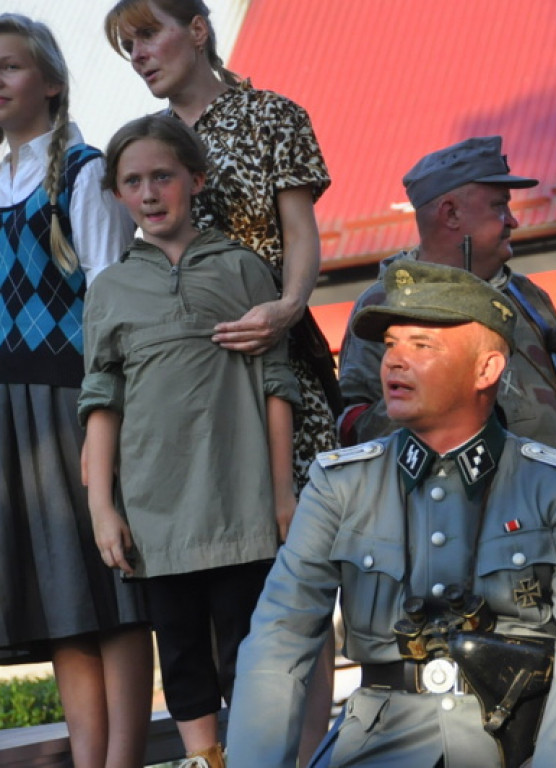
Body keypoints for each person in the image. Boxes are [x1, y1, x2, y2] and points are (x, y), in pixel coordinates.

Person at [226, 259, 556, 768]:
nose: (394, 362)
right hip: (379, 745)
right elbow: (279, 638)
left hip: (521, 744)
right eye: (391, 345)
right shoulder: (341, 484)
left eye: (422, 346)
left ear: (487, 369)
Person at [104, 2, 338, 757]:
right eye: (126, 46)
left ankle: (297, 752)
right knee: (193, 603)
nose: (138, 55)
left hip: (274, 368)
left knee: (290, 580)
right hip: (184, 400)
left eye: (148, 36)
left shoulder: (271, 115)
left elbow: (299, 233)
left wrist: (286, 305)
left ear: (198, 29)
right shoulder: (144, 148)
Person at [79, 114, 301, 768]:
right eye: (132, 181)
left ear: (195, 179)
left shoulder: (241, 270)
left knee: (249, 651)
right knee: (177, 653)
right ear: (118, 195)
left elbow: (276, 380)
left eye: (162, 176)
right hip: (154, 509)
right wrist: (103, 507)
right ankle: (206, 761)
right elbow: (101, 399)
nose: (149, 192)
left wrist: (283, 491)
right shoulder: (111, 290)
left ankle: (261, 759)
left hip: (241, 502)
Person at [0, 14, 151, 768]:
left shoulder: (84, 173)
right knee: (61, 596)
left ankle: (123, 759)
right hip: (11, 415)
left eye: (10, 67)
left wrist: (104, 421)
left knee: (108, 586)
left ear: (52, 82)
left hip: (74, 401)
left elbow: (107, 305)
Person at [337, 135, 556, 458]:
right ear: (451, 213)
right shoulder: (384, 307)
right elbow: (354, 429)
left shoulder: (530, 298)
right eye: (499, 206)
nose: (513, 220)